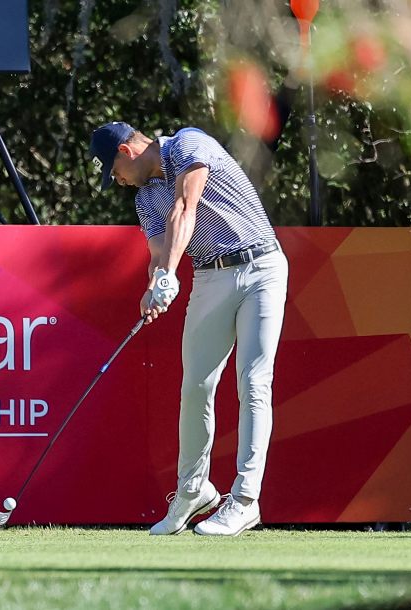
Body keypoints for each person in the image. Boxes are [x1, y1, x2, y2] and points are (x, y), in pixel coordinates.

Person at [89, 122, 289, 536]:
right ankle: (193, 490)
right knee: (196, 386)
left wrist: (167, 275)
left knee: (253, 382)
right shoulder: (145, 198)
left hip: (262, 267)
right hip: (210, 277)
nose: (119, 182)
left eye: (115, 173)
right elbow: (159, 251)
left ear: (126, 153)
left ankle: (245, 500)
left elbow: (186, 206)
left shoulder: (188, 144)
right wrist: (155, 286)